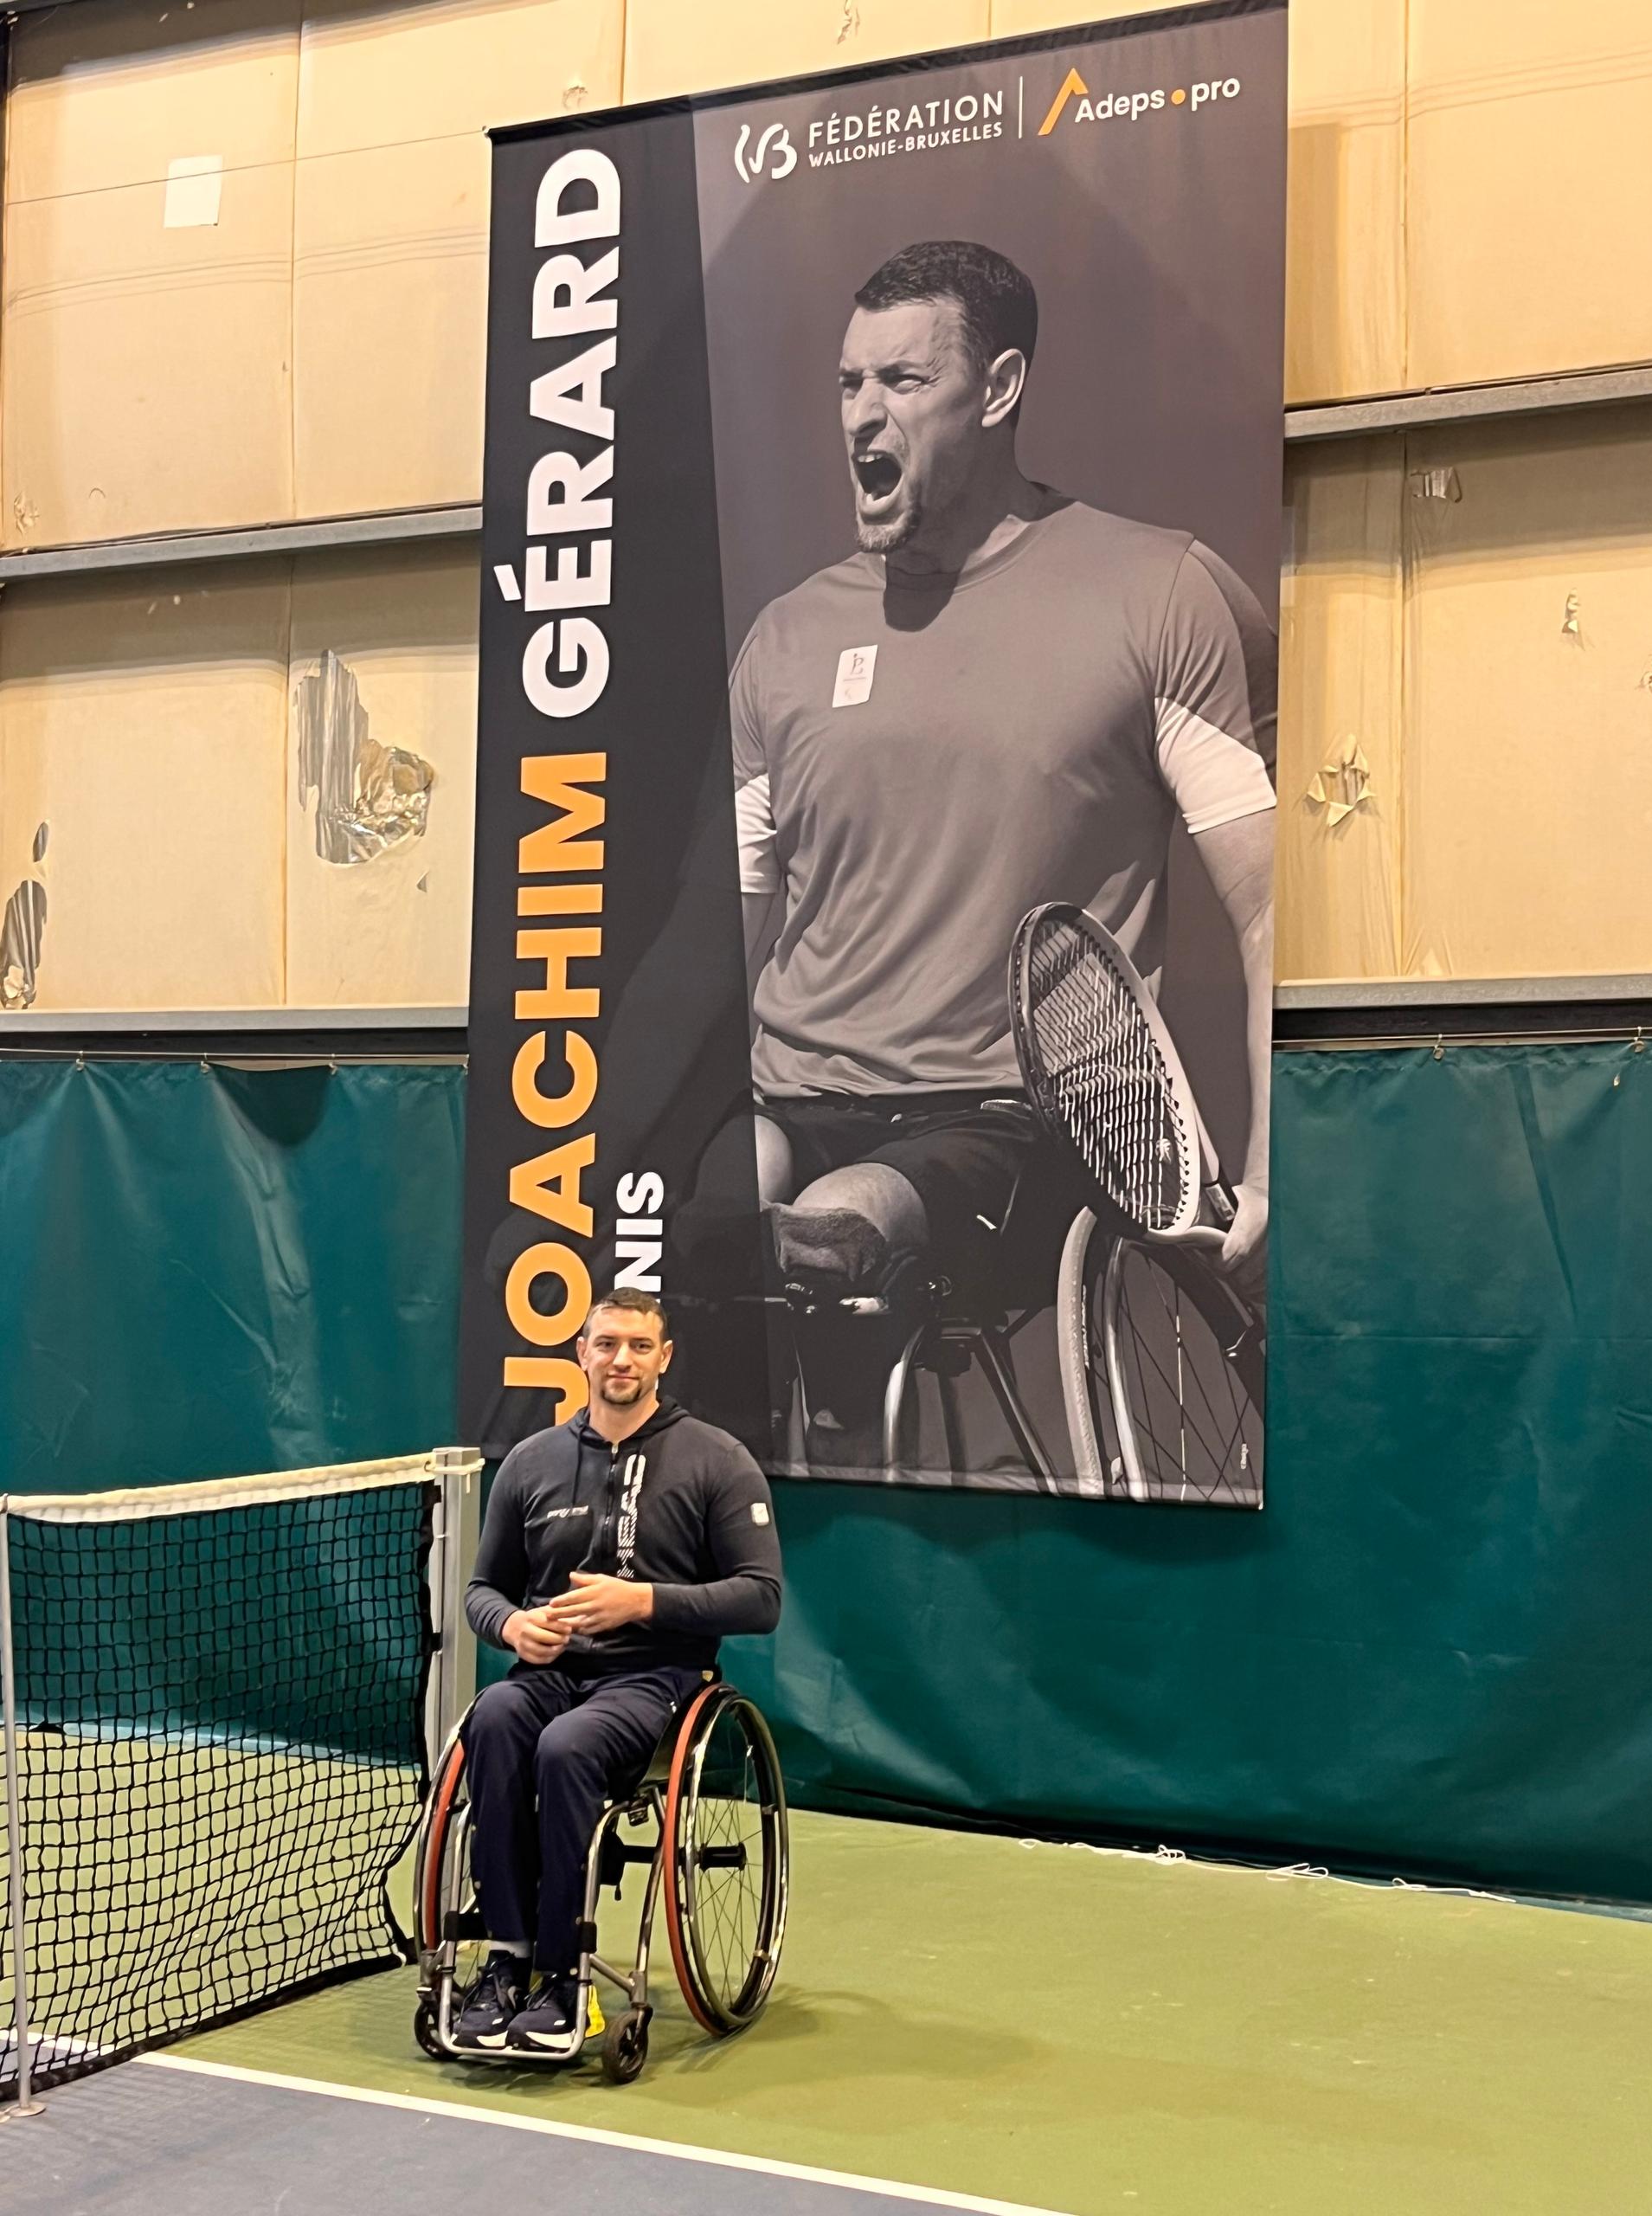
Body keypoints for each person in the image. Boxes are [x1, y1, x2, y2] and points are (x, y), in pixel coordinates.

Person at [732, 238, 1277, 1326]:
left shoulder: (1157, 591)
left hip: (1013, 1114)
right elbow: (727, 933)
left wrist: (1269, 1166)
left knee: (838, 1225)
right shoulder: (785, 640)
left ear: (1000, 391)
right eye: (849, 383)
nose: (861, 415)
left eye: (902, 380)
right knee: (699, 1209)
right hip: (786, 1092)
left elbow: (1269, 906)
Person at [453, 1287, 781, 2053]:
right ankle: (508, 1959)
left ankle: (567, 1979)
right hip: (548, 1675)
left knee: (569, 1746)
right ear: (582, 1355)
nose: (621, 1359)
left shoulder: (717, 1459)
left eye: (639, 1346)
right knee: (494, 1719)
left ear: (664, 1358)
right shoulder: (531, 1462)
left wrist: (643, 1604)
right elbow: (481, 1590)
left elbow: (761, 1598)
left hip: (656, 1681)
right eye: (607, 1345)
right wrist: (512, 1625)